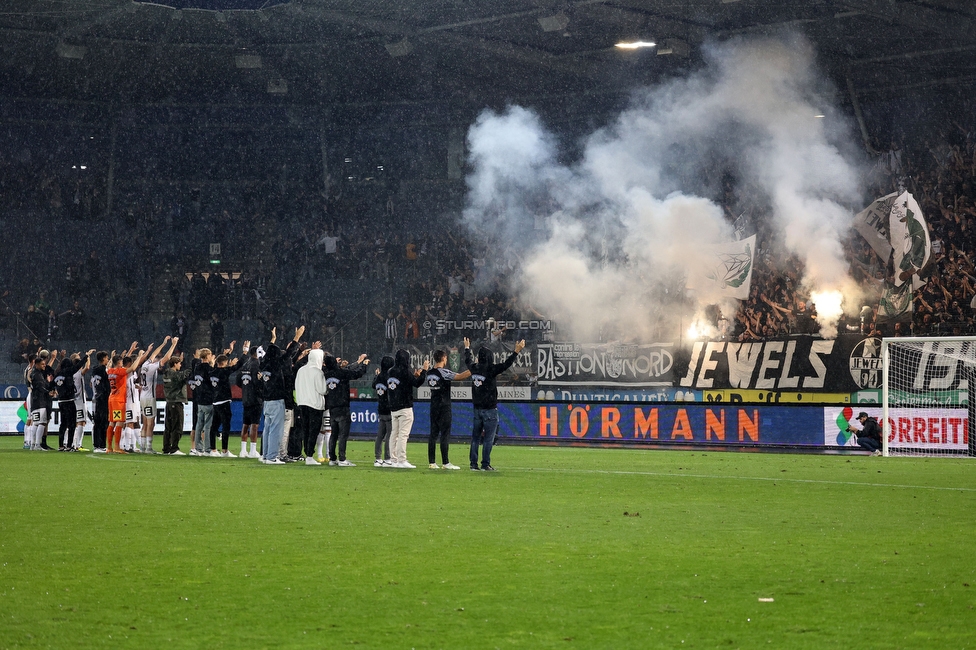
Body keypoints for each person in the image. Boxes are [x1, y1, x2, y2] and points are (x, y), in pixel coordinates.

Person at [463, 337, 526, 471]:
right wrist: (516, 352)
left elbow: (467, 360)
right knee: (488, 439)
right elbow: (506, 364)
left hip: (477, 409)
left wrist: (467, 348)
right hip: (490, 410)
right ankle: (485, 464)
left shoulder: (474, 368)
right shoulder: (491, 369)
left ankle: (473, 464)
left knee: (475, 438)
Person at [426, 349, 471, 469]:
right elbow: (461, 376)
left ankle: (432, 462)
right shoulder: (444, 372)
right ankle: (445, 463)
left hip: (433, 406)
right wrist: (474, 368)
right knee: (445, 434)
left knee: (433, 434)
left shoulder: (430, 372)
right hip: (444, 406)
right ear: (444, 358)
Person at [323, 352, 370, 466]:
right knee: (343, 435)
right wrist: (364, 365)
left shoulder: (326, 374)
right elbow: (356, 374)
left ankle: (332, 458)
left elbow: (347, 370)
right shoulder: (341, 373)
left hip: (332, 406)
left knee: (334, 434)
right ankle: (342, 459)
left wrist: (357, 362)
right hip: (343, 407)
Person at [385, 348, 429, 469]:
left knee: (394, 434)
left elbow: (406, 382)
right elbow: (417, 383)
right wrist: (424, 371)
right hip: (405, 406)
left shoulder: (390, 371)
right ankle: (401, 460)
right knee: (403, 435)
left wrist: (413, 377)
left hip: (393, 406)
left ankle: (393, 459)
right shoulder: (404, 371)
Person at [139, 336, 179, 454]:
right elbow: (166, 358)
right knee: (151, 424)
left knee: (145, 423)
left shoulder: (145, 365)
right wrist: (173, 345)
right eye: (158, 358)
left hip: (142, 396)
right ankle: (149, 448)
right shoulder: (152, 367)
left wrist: (163, 343)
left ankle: (142, 448)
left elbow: (153, 355)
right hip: (149, 398)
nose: (158, 359)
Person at [295, 344, 328, 465]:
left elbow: (297, 386)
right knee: (313, 431)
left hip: (302, 403)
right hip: (315, 405)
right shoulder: (318, 372)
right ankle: (309, 455)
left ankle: (307, 453)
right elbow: (323, 390)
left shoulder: (301, 370)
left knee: (305, 430)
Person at [161, 354, 192, 455]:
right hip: (176, 402)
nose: (180, 365)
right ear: (175, 364)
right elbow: (184, 375)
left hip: (169, 402)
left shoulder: (166, 373)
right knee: (177, 426)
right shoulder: (174, 375)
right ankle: (174, 448)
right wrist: (193, 365)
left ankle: (166, 448)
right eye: (179, 363)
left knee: (168, 427)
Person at [236, 343, 262, 459]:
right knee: (255, 425)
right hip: (255, 399)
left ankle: (243, 451)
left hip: (245, 398)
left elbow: (238, 381)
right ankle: (252, 451)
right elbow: (257, 382)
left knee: (245, 424)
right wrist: (260, 382)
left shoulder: (245, 364)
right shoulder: (257, 364)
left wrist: (246, 387)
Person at [372, 355, 395, 467]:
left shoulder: (379, 377)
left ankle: (378, 458)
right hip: (390, 409)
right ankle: (387, 458)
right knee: (389, 436)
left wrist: (376, 376)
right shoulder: (389, 377)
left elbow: (373, 386)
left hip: (381, 408)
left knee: (380, 435)